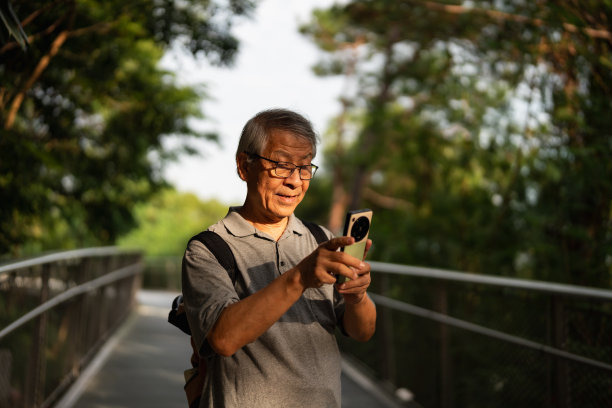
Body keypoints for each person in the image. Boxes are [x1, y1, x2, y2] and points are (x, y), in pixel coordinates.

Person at [181, 108, 377, 407]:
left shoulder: (320, 239)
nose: (295, 181)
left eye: (304, 167)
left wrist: (357, 297)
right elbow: (223, 339)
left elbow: (362, 332)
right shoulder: (209, 248)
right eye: (281, 165)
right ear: (244, 166)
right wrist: (300, 277)